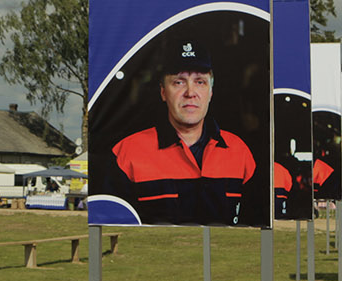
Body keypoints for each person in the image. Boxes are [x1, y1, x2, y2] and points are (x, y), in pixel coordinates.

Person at [111, 40, 258, 225]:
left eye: (200, 82)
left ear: (210, 92)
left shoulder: (240, 152)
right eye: (179, 82)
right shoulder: (127, 153)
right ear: (163, 92)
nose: (190, 92)